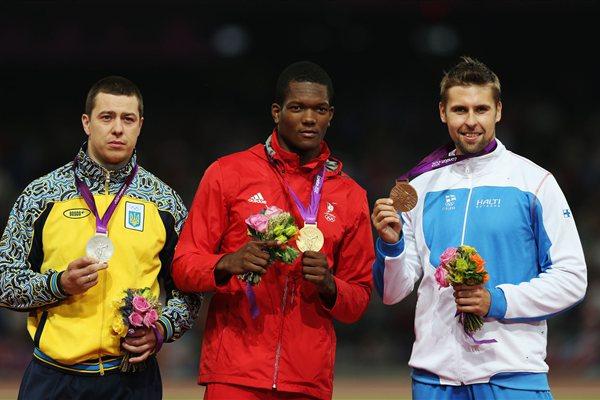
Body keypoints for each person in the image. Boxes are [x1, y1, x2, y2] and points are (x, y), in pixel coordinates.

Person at [371, 56, 587, 400]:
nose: (471, 122)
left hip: (512, 374)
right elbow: (393, 293)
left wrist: (497, 301)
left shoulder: (534, 183)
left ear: (498, 111)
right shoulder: (419, 187)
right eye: (459, 110)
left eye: (481, 109)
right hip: (434, 379)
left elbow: (572, 278)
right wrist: (391, 246)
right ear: (442, 112)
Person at [172, 61, 374, 400]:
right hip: (234, 374)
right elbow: (183, 267)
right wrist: (226, 263)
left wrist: (329, 285)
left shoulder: (350, 196)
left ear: (330, 115)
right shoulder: (227, 174)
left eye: (319, 109)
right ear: (276, 112)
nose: (309, 118)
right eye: (297, 107)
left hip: (307, 380)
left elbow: (358, 300)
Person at [0, 76, 202, 399]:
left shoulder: (164, 203)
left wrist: (161, 329)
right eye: (107, 117)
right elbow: (4, 283)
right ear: (87, 123)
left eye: (128, 119)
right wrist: (58, 285)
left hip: (132, 381)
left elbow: (190, 291)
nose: (117, 128)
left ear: (140, 125)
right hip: (53, 378)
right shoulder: (40, 196)